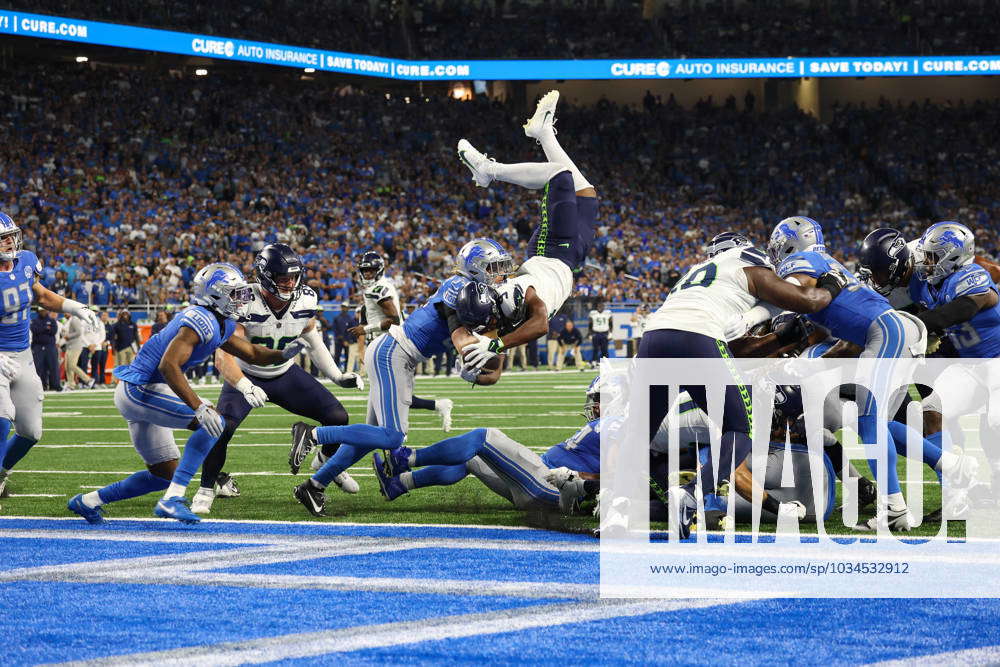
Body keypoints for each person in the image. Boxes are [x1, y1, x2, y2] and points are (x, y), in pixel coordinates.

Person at [66, 262, 308, 524]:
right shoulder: (200, 319)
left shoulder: (220, 321)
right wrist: (198, 407)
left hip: (140, 392)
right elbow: (168, 366)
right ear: (216, 294)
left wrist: (283, 353)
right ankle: (173, 499)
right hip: (141, 388)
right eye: (234, 293)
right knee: (214, 422)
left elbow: (251, 353)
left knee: (163, 474)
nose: (241, 299)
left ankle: (89, 500)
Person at [640, 230, 844, 539]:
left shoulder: (695, 276)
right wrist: (832, 283)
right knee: (738, 427)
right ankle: (691, 494)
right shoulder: (750, 262)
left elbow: (739, 348)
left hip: (654, 337)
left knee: (638, 434)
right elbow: (806, 300)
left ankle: (615, 506)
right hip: (698, 341)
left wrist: (763, 323)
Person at [289, 272, 504, 517]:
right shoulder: (460, 293)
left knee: (368, 440)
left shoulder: (468, 295)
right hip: (395, 353)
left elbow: (486, 360)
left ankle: (314, 486)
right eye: (493, 268)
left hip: (396, 353)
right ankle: (314, 434)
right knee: (393, 437)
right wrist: (497, 343)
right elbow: (467, 346)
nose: (498, 275)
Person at [768, 217, 929, 531]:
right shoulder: (824, 262)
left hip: (884, 334)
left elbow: (796, 292)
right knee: (873, 422)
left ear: (790, 244)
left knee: (870, 421)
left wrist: (763, 307)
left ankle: (895, 508)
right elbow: (833, 330)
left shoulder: (805, 260)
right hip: (883, 333)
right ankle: (900, 502)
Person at [192, 245, 364, 514]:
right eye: (283, 278)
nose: (289, 283)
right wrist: (244, 385)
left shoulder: (305, 299)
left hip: (284, 373)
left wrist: (337, 376)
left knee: (338, 417)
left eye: (293, 277)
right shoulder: (242, 299)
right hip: (246, 374)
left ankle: (326, 462)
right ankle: (205, 488)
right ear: (264, 276)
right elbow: (223, 354)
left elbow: (312, 339)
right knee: (221, 429)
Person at [456, 90, 599, 374]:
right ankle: (493, 167)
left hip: (556, 256)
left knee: (562, 177)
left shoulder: (501, 316)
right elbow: (540, 324)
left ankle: (541, 134)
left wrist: (474, 349)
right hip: (557, 255)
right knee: (583, 192)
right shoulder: (511, 304)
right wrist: (493, 348)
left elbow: (474, 341)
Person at [370, 377, 603, 512]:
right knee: (472, 457)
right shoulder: (612, 426)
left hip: (552, 488)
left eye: (598, 399)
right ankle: (399, 484)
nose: (592, 406)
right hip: (542, 479)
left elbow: (621, 480)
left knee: (484, 437)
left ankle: (405, 458)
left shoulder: (618, 428)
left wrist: (580, 481)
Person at [0, 212, 102, 498]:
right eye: (3, 238)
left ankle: (1, 472)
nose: (10, 242)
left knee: (31, 431)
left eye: (11, 236)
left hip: (22, 355)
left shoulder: (25, 262)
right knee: (2, 414)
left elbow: (42, 296)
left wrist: (75, 307)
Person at [349, 250, 453, 431]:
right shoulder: (379, 287)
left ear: (379, 270)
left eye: (371, 270)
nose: (367, 274)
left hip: (388, 350)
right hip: (384, 347)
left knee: (393, 401)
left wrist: (365, 329)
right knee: (380, 411)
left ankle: (401, 438)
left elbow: (394, 319)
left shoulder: (377, 289)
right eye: (365, 271)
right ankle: (437, 406)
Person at [61, 312, 96, 390]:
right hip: (69, 346)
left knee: (72, 365)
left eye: (66, 312)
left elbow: (79, 332)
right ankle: (71, 385)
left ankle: (89, 380)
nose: (64, 314)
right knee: (67, 366)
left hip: (75, 346)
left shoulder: (74, 319)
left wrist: (68, 336)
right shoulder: (68, 320)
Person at [30, 310, 61, 391]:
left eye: (44, 310)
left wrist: (41, 328)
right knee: (38, 367)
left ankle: (55, 385)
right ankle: (40, 386)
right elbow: (34, 330)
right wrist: (46, 328)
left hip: (50, 346)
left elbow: (53, 331)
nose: (43, 312)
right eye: (41, 311)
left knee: (53, 367)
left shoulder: (52, 321)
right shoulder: (35, 321)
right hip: (38, 347)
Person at [587, 300, 612, 367]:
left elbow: (610, 324)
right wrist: (590, 333)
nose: (600, 307)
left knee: (604, 349)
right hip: (596, 333)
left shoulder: (607, 313)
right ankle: (594, 362)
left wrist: (610, 333)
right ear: (597, 307)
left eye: (602, 306)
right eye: (599, 306)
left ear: (604, 307)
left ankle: (605, 363)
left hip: (604, 333)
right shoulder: (593, 313)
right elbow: (590, 324)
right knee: (595, 349)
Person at [332, 302, 355, 369]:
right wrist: (342, 338)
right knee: (337, 356)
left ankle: (346, 370)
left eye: (345, 307)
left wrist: (347, 340)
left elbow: (351, 330)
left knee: (347, 356)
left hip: (347, 341)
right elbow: (335, 329)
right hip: (338, 341)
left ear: (348, 308)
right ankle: (335, 371)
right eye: (342, 307)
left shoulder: (350, 319)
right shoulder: (336, 318)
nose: (343, 308)